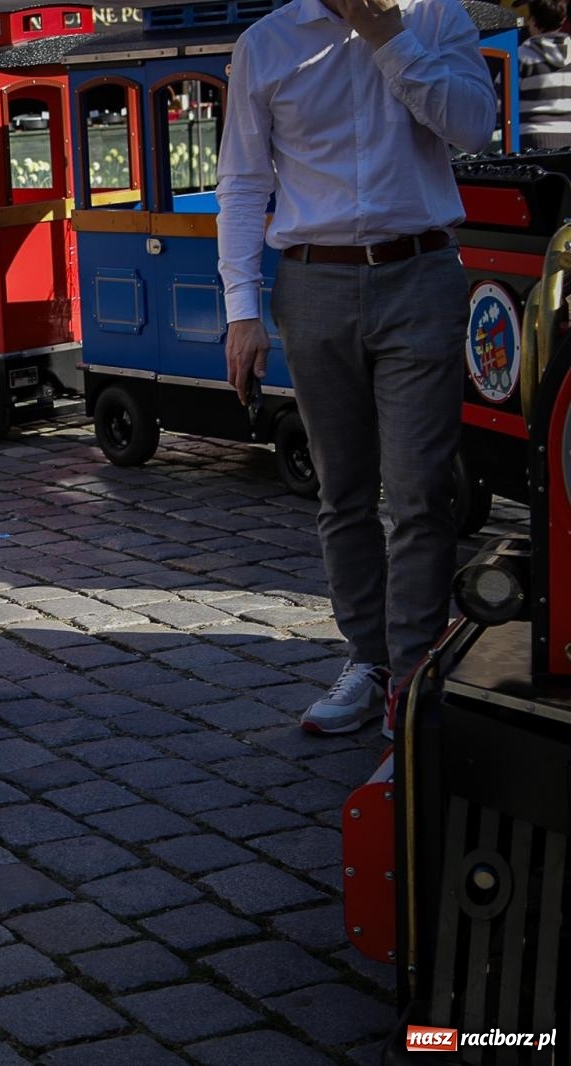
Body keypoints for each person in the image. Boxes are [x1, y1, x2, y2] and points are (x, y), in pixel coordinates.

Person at [216, 0, 495, 735]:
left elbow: (474, 127)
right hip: (313, 281)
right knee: (341, 490)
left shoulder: (439, 19)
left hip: (420, 271)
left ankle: (412, 674)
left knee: (419, 490)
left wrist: (386, 36)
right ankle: (368, 659)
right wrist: (242, 309)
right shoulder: (266, 42)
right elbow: (243, 182)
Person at [520, 0, 571, 148]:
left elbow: (499, 105)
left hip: (532, 142)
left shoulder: (522, 57)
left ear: (533, 21)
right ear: (562, 19)